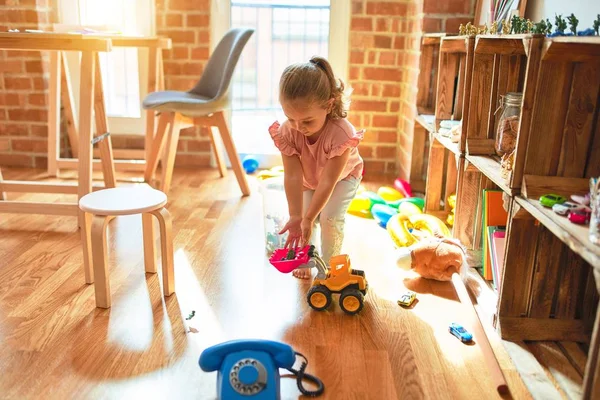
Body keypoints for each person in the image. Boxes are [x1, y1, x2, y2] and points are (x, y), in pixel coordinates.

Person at [268, 56, 364, 279]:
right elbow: (292, 175)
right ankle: (307, 256)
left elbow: (329, 181)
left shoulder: (342, 133)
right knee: (301, 221)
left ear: (329, 105)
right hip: (308, 179)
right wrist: (296, 215)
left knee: (329, 217)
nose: (298, 127)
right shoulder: (287, 131)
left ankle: (331, 265)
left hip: (342, 179)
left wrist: (310, 217)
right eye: (290, 118)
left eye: (307, 121)